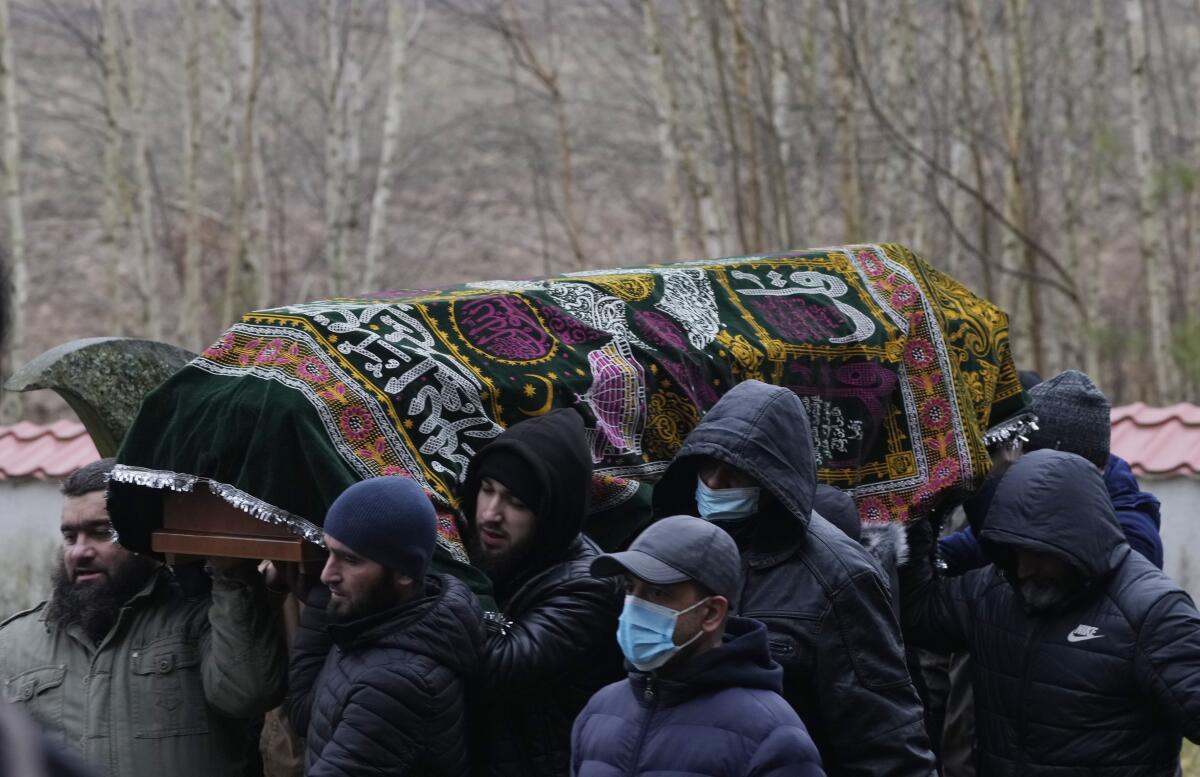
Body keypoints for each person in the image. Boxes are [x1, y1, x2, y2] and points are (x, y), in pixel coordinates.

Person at [652, 380, 936, 777]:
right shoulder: (666, 548)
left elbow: (885, 740)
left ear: (773, 479)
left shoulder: (839, 576)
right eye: (706, 466)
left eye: (735, 474)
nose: (713, 484)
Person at [902, 449, 1200, 776]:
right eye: (1013, 552)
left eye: (1037, 553)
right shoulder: (994, 590)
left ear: (1076, 540)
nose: (1025, 568)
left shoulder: (1153, 612)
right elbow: (918, 615)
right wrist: (921, 518)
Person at [0, 458, 287, 777]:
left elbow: (249, 694)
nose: (79, 551)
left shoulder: (200, 616)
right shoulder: (12, 643)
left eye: (101, 532)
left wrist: (231, 572)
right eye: (70, 536)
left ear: (140, 536)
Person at [572, 515, 825, 777]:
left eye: (657, 593)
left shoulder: (771, 734)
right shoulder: (599, 710)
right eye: (629, 588)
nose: (634, 605)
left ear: (712, 613)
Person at [460, 408, 623, 777]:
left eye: (516, 503)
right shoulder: (488, 546)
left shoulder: (588, 586)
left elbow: (496, 667)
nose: (490, 514)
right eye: (487, 490)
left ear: (551, 512)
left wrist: (454, 573)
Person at [285, 476, 483, 777]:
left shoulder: (397, 684)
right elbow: (305, 714)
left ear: (404, 572)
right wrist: (324, 600)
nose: (327, 574)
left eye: (349, 559)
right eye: (329, 552)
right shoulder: (370, 624)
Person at [939, 369, 1163, 574]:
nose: (1027, 477)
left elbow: (1040, 570)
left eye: (1036, 465)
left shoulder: (1131, 534)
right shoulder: (1028, 504)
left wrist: (985, 489)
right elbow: (951, 557)